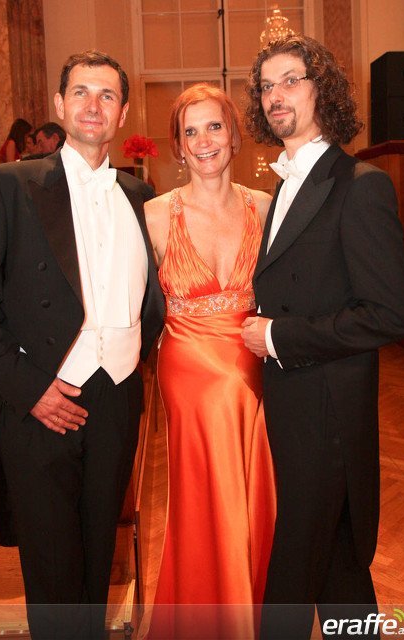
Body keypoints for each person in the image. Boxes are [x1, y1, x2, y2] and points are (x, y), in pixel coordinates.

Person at [0, 50, 164, 640]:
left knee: (99, 554)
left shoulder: (140, 194)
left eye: (106, 95)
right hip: (41, 399)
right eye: (80, 93)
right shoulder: (10, 185)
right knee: (51, 566)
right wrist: (29, 389)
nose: (93, 105)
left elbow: (154, 300)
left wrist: (130, 363)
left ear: (123, 112)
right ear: (58, 104)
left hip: (115, 397)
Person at [241, 34, 404, 639]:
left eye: (292, 80)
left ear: (324, 91)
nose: (276, 96)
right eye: (267, 86)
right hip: (294, 405)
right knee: (338, 561)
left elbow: (389, 314)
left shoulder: (360, 184)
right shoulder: (283, 185)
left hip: (328, 410)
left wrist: (279, 337)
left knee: (294, 565)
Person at [144, 83, 276, 639]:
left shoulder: (265, 206)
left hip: (256, 364)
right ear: (178, 145)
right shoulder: (154, 214)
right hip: (189, 370)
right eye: (190, 131)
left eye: (214, 126)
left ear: (234, 135)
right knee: (205, 493)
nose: (203, 141)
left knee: (258, 488)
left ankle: (252, 608)